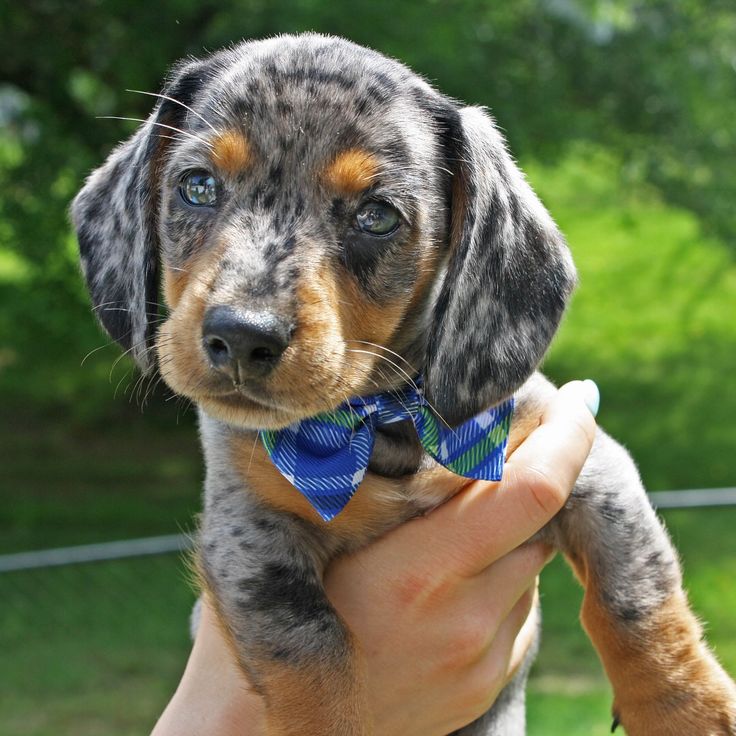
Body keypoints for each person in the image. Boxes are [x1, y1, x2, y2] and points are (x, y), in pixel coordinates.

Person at [152, 380, 599, 736]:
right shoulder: (249, 432)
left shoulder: (503, 391)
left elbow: (605, 486)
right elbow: (242, 549)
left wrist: (659, 693)